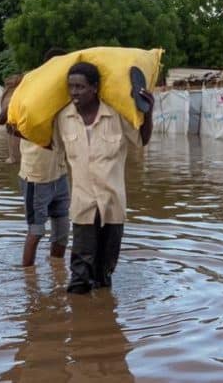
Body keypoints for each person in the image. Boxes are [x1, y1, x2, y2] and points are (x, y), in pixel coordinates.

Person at [53, 61, 153, 294]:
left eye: (80, 87)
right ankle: (80, 324)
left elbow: (141, 141)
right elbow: (52, 147)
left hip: (112, 206)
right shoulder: (63, 119)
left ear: (95, 88)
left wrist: (148, 114)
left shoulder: (116, 115)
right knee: (80, 276)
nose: (75, 92)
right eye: (71, 87)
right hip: (82, 206)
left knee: (105, 274)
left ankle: (104, 320)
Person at [0, 48, 71, 266]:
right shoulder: (29, 87)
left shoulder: (65, 91)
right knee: (36, 231)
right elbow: (4, 120)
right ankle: (29, 284)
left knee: (62, 234)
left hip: (60, 173)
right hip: (35, 176)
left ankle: (56, 273)